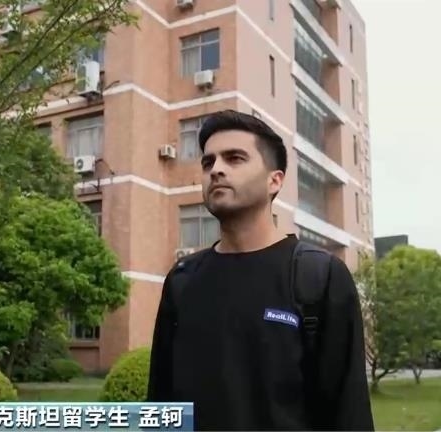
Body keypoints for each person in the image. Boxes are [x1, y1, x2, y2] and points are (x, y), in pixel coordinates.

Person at [147, 110, 375, 431]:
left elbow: (349, 413)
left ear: (274, 180)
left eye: (234, 158)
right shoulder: (182, 281)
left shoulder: (319, 276)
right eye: (208, 162)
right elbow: (160, 406)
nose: (216, 170)